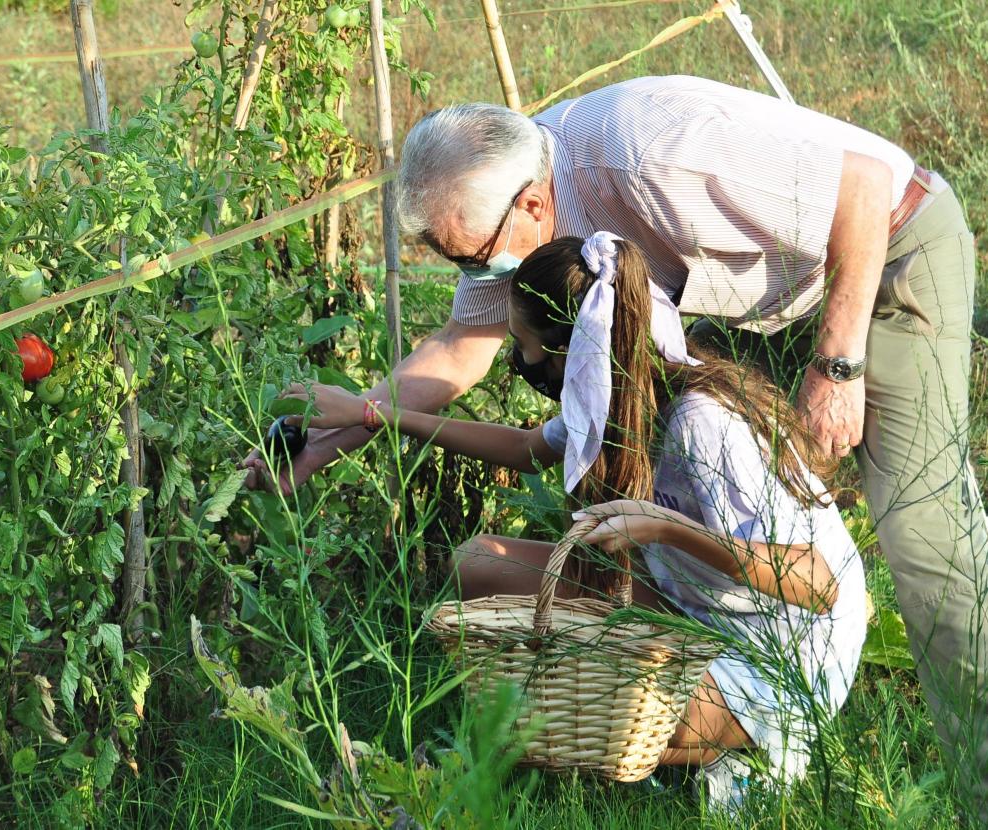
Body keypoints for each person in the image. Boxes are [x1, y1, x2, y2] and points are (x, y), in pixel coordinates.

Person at [243, 75, 986, 813]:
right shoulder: (545, 251)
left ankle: (973, 785)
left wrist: (836, 366)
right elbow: (459, 350)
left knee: (928, 543)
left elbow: (858, 187)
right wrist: (329, 439)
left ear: (534, 204)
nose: (477, 282)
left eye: (473, 260)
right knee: (721, 505)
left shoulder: (649, 150)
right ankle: (699, 719)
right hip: (760, 299)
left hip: (882, 252)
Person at [281, 234, 867, 810]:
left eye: (526, 346)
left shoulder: (697, 424)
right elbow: (521, 448)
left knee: (613, 715)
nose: (519, 363)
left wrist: (666, 528)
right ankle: (473, 764)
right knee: (479, 563)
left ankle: (442, 783)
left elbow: (817, 582)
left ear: (570, 351)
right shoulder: (610, 393)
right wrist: (371, 413)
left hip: (785, 651)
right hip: (699, 604)